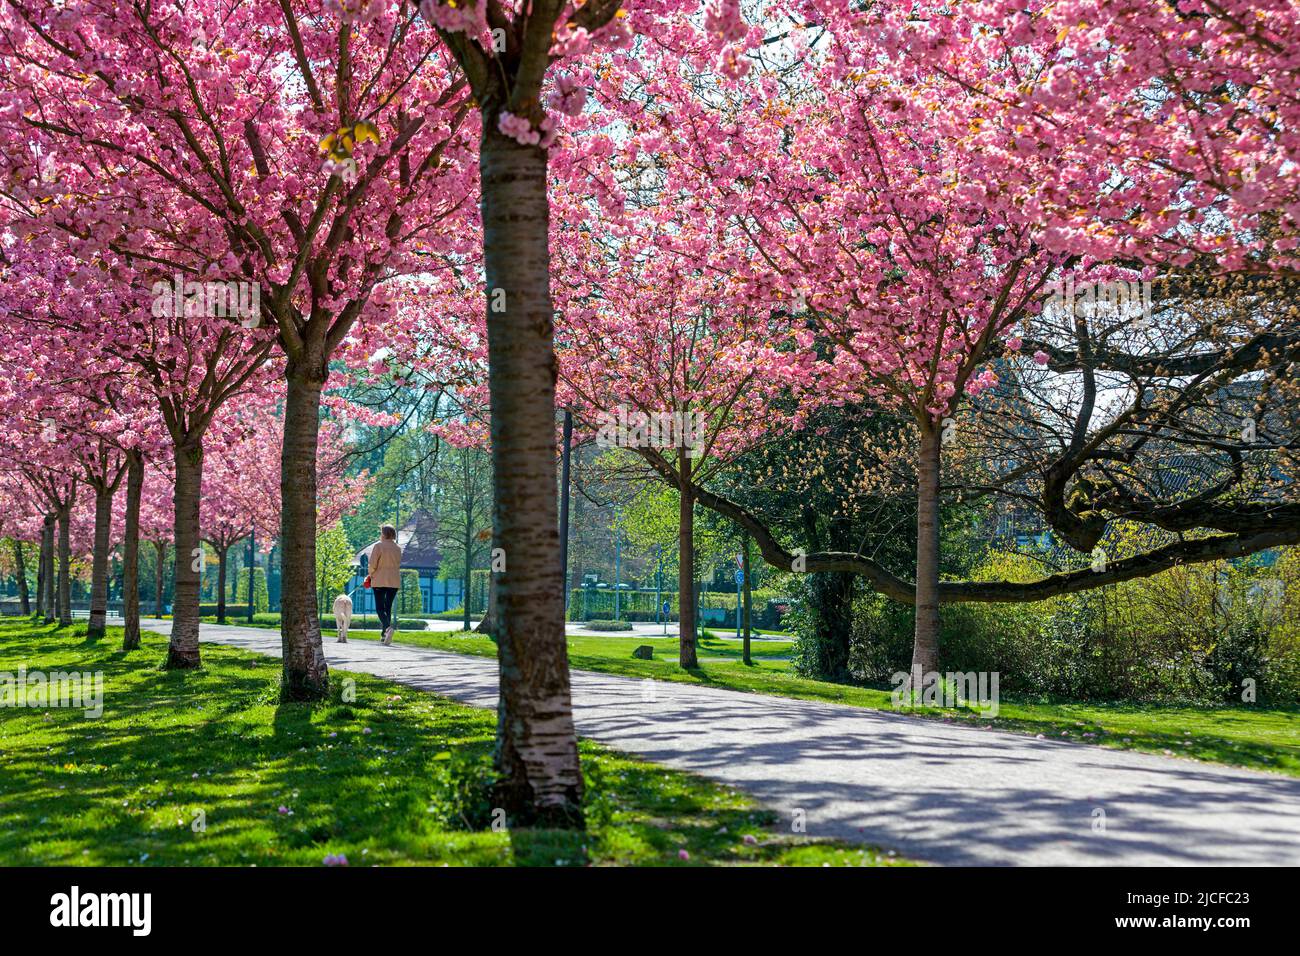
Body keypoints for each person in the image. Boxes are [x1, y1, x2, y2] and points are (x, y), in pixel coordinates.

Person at [368, 524, 402, 645]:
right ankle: (384, 635)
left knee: (379, 608)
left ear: (384, 534)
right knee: (387, 607)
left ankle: (387, 628)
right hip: (394, 581)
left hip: (380, 579)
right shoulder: (398, 548)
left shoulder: (378, 546)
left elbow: (372, 564)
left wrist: (370, 574)